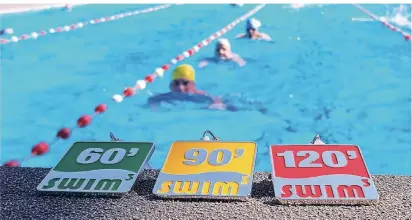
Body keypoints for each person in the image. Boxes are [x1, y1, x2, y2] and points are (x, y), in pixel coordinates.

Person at [148, 64, 227, 110]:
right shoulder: (168, 96)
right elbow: (152, 99)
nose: (180, 87)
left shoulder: (200, 95)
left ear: (193, 85)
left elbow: (217, 102)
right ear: (171, 86)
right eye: (176, 83)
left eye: (185, 83)